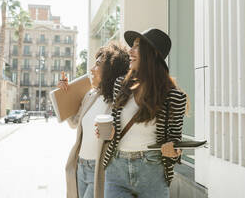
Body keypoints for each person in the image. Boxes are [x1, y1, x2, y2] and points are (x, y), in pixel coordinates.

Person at [100, 28, 188, 198]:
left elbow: (176, 142)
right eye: (131, 46)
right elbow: (115, 128)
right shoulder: (120, 84)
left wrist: (174, 151)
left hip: (152, 172)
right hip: (116, 170)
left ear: (151, 55)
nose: (130, 51)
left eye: (137, 47)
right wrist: (108, 133)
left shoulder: (174, 97)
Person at [58, 42, 130, 198]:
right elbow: (74, 122)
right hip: (80, 165)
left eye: (98, 65)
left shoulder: (119, 102)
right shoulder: (91, 95)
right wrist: (64, 94)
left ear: (111, 70)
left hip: (99, 170)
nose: (91, 69)